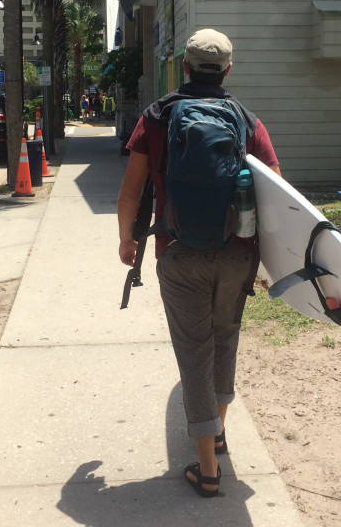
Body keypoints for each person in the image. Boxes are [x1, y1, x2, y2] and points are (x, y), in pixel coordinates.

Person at [116, 29, 281, 498]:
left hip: (179, 252)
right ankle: (219, 431)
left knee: (194, 352)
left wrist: (128, 240)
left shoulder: (157, 117)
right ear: (227, 70)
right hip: (236, 253)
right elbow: (275, 191)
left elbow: (131, 190)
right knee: (224, 340)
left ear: (184, 67)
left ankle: (208, 469)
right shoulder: (246, 120)